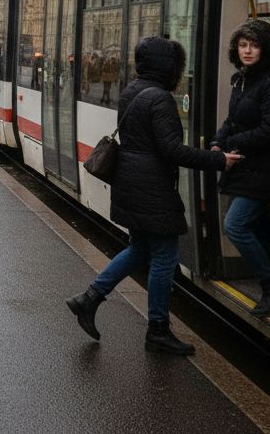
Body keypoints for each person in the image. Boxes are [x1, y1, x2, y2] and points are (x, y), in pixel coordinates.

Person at [66, 37, 240, 355]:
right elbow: (171, 149)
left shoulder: (132, 90)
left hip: (131, 184)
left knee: (139, 249)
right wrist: (218, 160)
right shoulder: (160, 98)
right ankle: (157, 329)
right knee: (164, 257)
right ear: (168, 66)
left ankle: (89, 298)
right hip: (152, 189)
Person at [214, 18, 270, 319]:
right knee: (264, 229)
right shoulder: (241, 79)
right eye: (242, 45)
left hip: (265, 168)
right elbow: (232, 120)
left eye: (254, 45)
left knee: (235, 226)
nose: (247, 51)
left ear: (265, 50)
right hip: (246, 167)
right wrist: (218, 142)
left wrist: (234, 142)